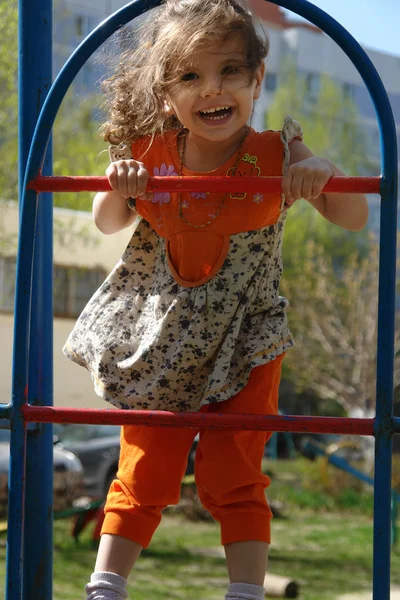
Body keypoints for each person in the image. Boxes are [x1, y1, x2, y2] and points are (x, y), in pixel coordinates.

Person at [63, 0, 368, 598]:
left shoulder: (277, 154)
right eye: (191, 76)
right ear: (168, 92)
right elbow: (104, 222)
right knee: (145, 463)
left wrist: (322, 172)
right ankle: (106, 586)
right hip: (164, 331)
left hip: (248, 333)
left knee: (235, 468)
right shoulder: (152, 152)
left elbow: (354, 217)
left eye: (230, 71)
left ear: (258, 79)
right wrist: (119, 184)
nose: (213, 89)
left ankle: (245, 591)